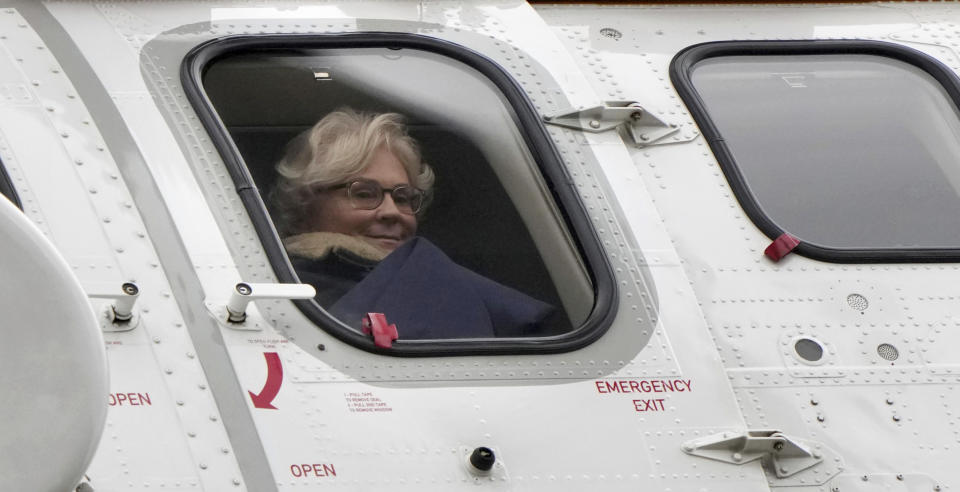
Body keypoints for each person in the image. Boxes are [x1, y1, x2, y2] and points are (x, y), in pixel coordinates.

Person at [270, 108, 554, 340]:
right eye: (364, 193)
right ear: (306, 202)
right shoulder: (280, 289)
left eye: (404, 197)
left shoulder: (439, 281)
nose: (392, 212)